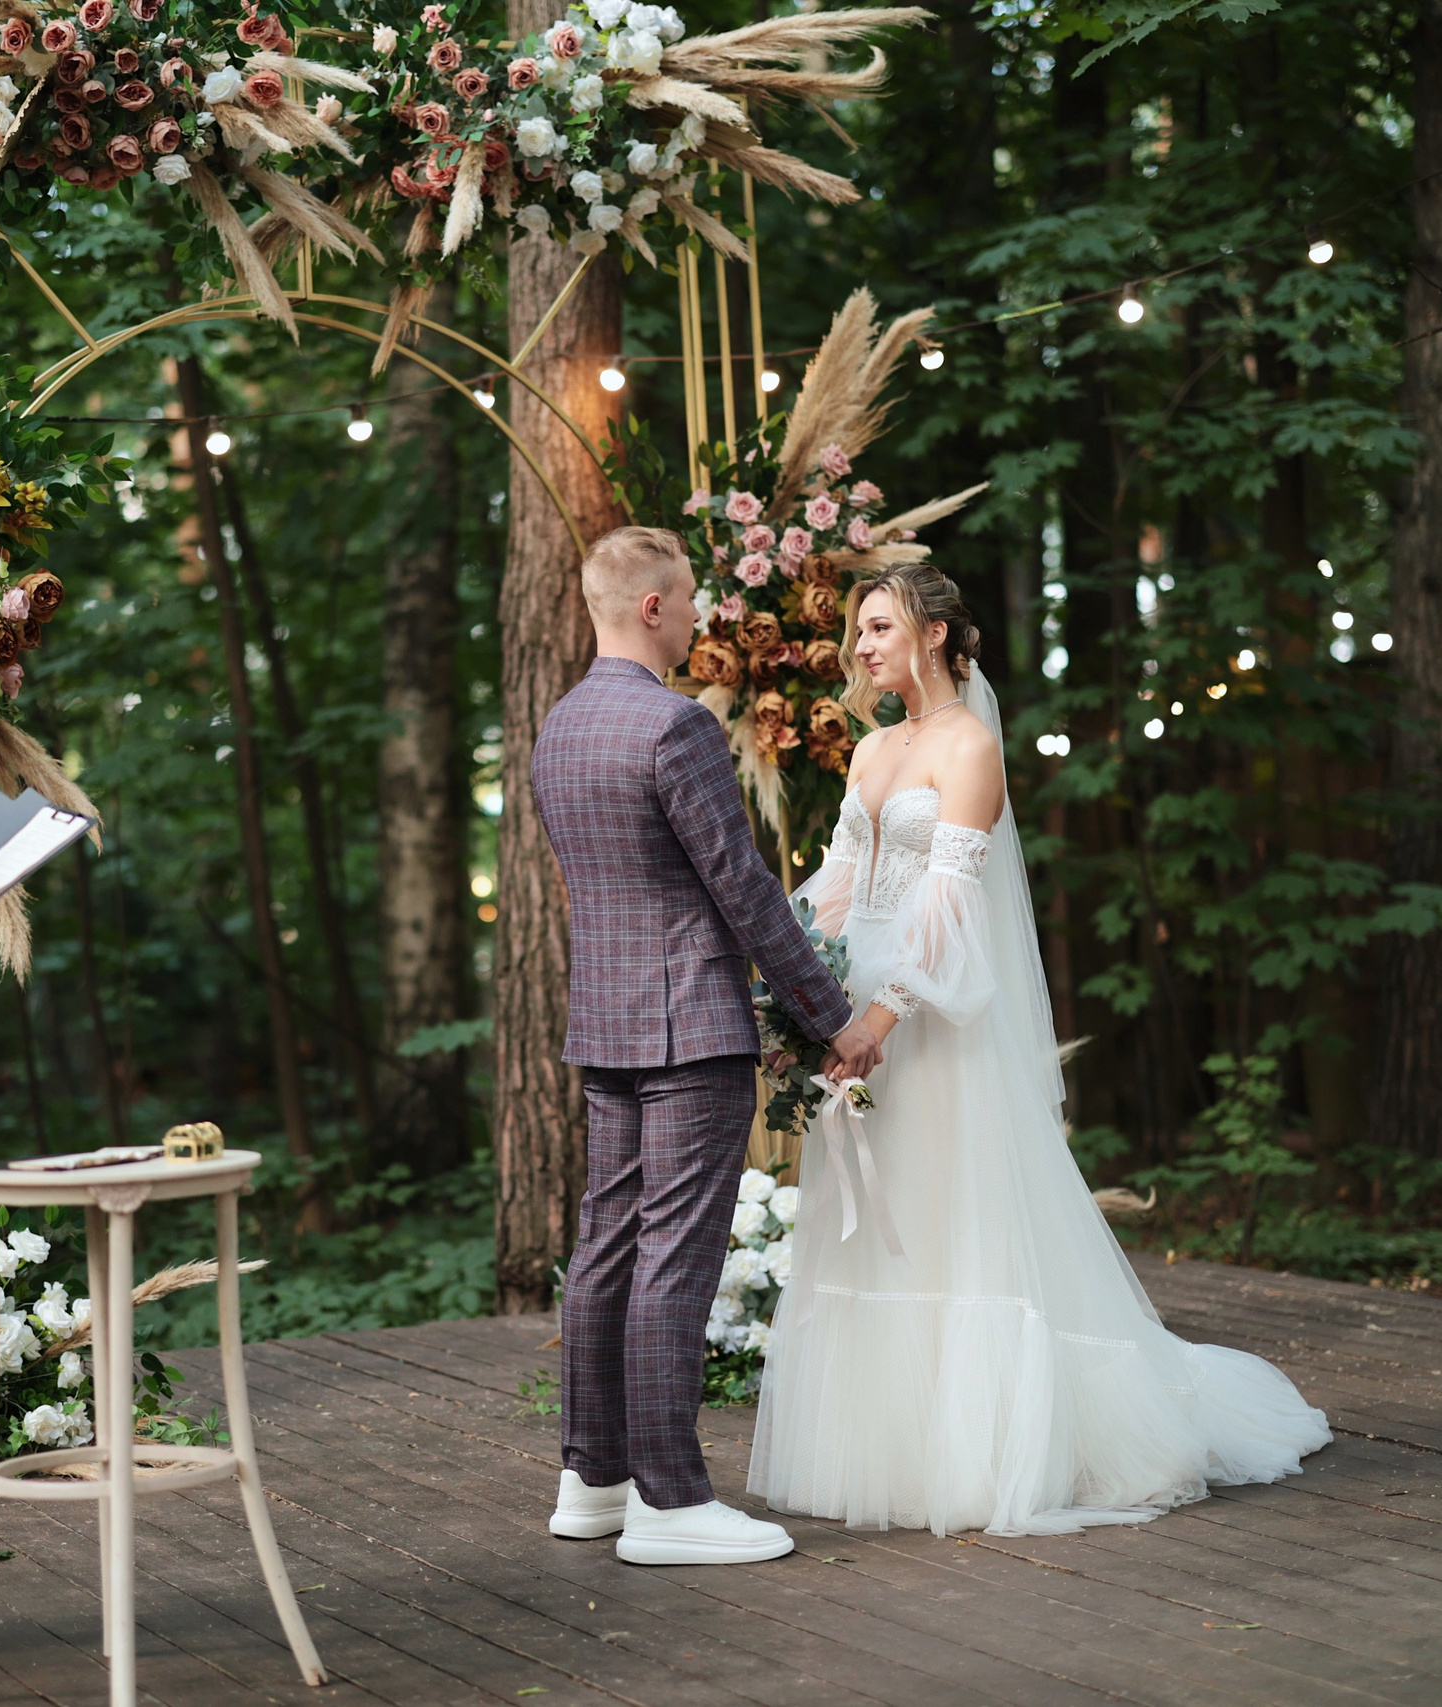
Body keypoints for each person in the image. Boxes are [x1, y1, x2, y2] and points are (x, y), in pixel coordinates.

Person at [747, 565, 1333, 1537]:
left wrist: (877, 1023)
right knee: (882, 1229)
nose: (861, 645)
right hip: (852, 1014)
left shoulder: (970, 747)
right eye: (860, 629)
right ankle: (895, 1451)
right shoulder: (873, 748)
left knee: (949, 1219)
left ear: (935, 632)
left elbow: (950, 905)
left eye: (879, 625)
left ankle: (979, 1452)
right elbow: (839, 887)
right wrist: (789, 994)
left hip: (928, 1021)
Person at [530, 526, 885, 1566]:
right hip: (689, 1024)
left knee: (606, 1245)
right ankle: (671, 1501)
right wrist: (832, 1017)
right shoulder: (675, 724)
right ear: (651, 606)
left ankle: (592, 1479)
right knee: (673, 1258)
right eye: (687, 600)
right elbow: (743, 890)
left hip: (606, 1023)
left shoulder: (558, 728)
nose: (696, 618)